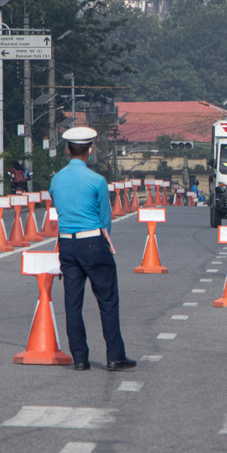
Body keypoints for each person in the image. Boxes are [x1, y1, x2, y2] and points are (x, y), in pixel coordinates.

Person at [50, 127, 136, 372]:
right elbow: (104, 220)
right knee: (107, 300)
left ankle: (79, 358)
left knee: (72, 302)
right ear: (90, 151)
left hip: (66, 243)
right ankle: (115, 356)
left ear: (67, 150)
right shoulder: (97, 181)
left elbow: (58, 205)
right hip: (93, 241)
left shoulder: (56, 179)